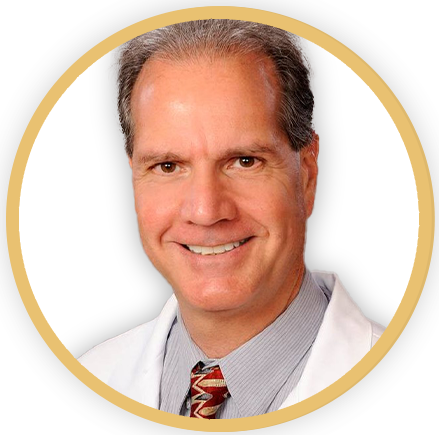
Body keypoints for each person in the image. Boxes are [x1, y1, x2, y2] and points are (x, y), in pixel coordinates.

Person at [78, 19, 384, 419]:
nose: (206, 211)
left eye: (244, 161)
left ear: (307, 174)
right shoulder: (93, 373)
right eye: (168, 166)